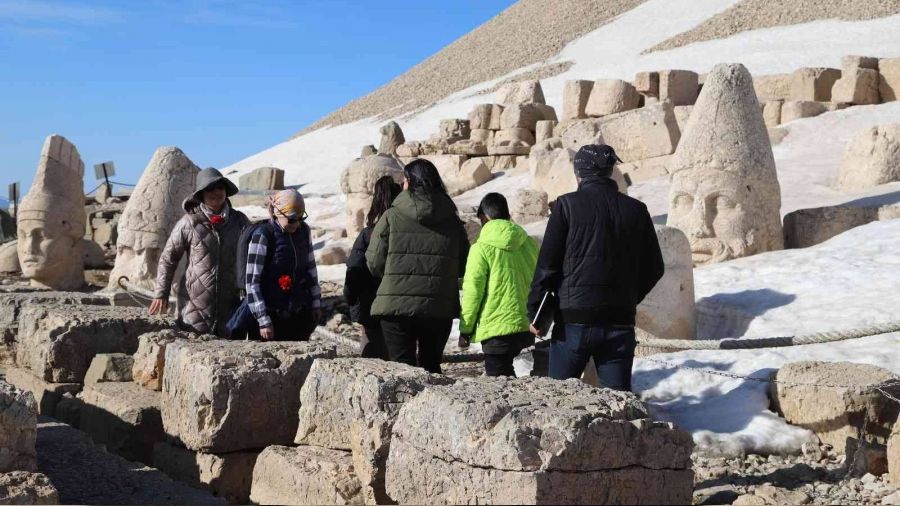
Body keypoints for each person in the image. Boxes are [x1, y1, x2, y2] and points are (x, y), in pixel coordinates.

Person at [527, 144, 664, 391]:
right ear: (610, 171)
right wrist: (630, 297)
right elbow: (655, 268)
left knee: (559, 400)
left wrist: (536, 313)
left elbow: (547, 267)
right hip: (620, 321)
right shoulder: (637, 210)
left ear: (579, 172)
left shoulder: (566, 206)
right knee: (618, 404)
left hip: (573, 323)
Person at [366, 159, 469, 374]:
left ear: (408, 182)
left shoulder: (391, 216)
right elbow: (463, 265)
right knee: (431, 367)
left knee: (402, 370)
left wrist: (394, 276)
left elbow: (374, 262)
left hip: (395, 305)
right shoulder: (452, 220)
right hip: (438, 306)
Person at [151, 168, 250, 336]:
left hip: (230, 306)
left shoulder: (239, 221)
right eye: (210, 189)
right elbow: (169, 258)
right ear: (201, 194)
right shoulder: (189, 223)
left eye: (220, 188)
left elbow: (254, 253)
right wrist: (162, 292)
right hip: (194, 308)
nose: (216, 193)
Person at [458, 193, 538, 377]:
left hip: (495, 330)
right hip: (526, 326)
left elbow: (473, 292)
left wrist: (466, 330)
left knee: (500, 385)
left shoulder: (480, 248)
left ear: (483, 217)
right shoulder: (529, 243)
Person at [244, 189, 322, 341]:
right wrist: (263, 320)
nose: (297, 224)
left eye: (301, 218)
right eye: (292, 219)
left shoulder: (304, 231)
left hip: (297, 313)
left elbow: (311, 271)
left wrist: (316, 304)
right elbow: (252, 282)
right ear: (278, 213)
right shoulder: (263, 235)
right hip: (270, 316)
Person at [344, 176, 401, 359]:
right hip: (401, 309)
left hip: (371, 307)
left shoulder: (368, 234)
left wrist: (350, 297)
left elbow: (355, 268)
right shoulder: (408, 234)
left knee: (371, 357)